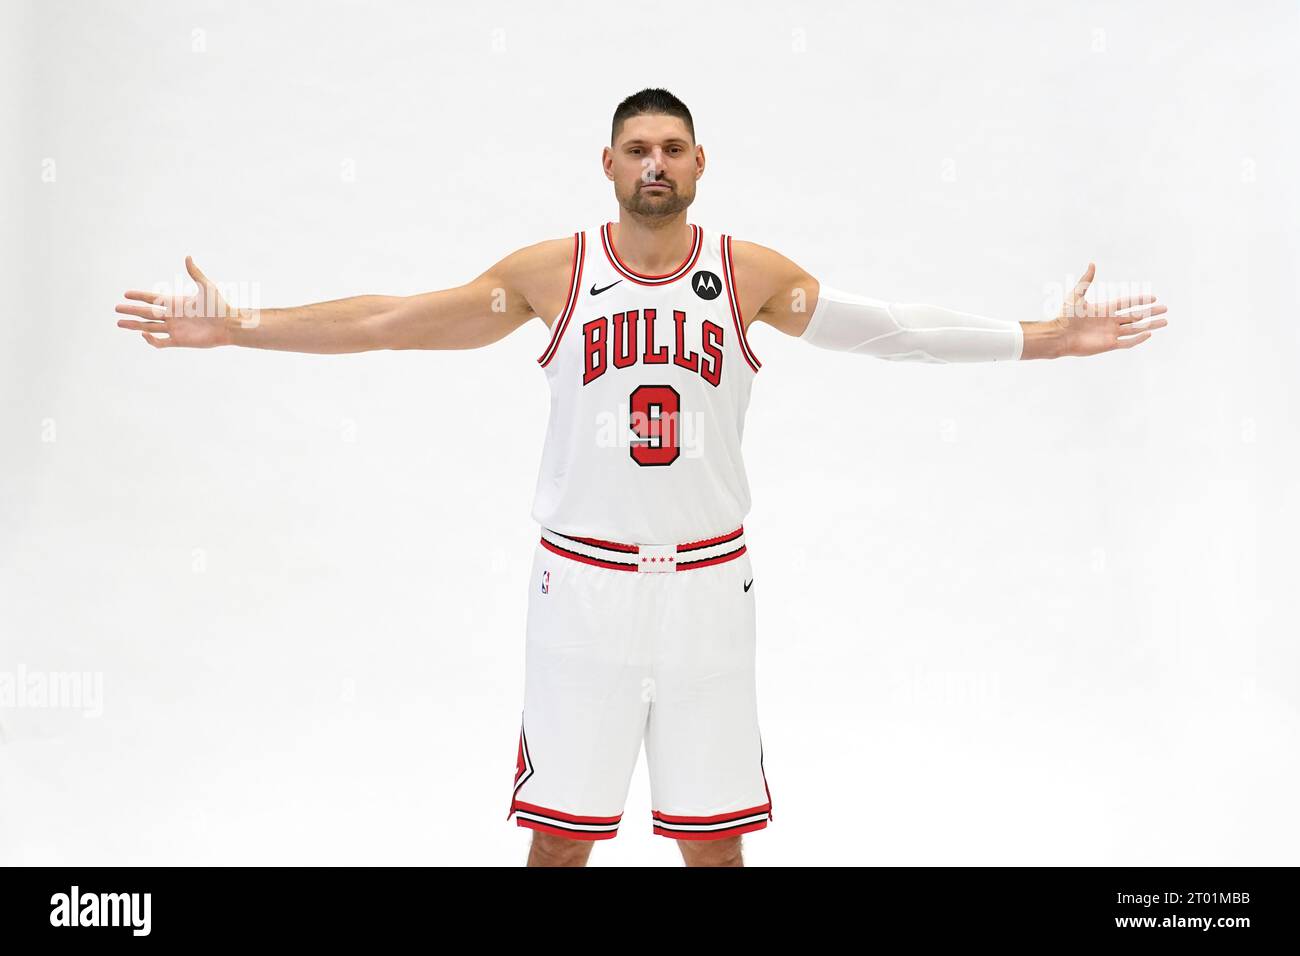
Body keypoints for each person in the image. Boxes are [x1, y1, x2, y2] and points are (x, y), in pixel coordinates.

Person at [113, 88, 1168, 867]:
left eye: (670, 147)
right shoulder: (550, 272)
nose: (653, 163)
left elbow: (890, 331)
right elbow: (392, 320)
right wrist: (239, 325)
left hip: (710, 586)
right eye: (635, 149)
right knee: (560, 837)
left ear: (700, 161)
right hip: (583, 583)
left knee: (713, 843)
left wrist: (1045, 338)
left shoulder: (747, 273)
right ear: (607, 166)